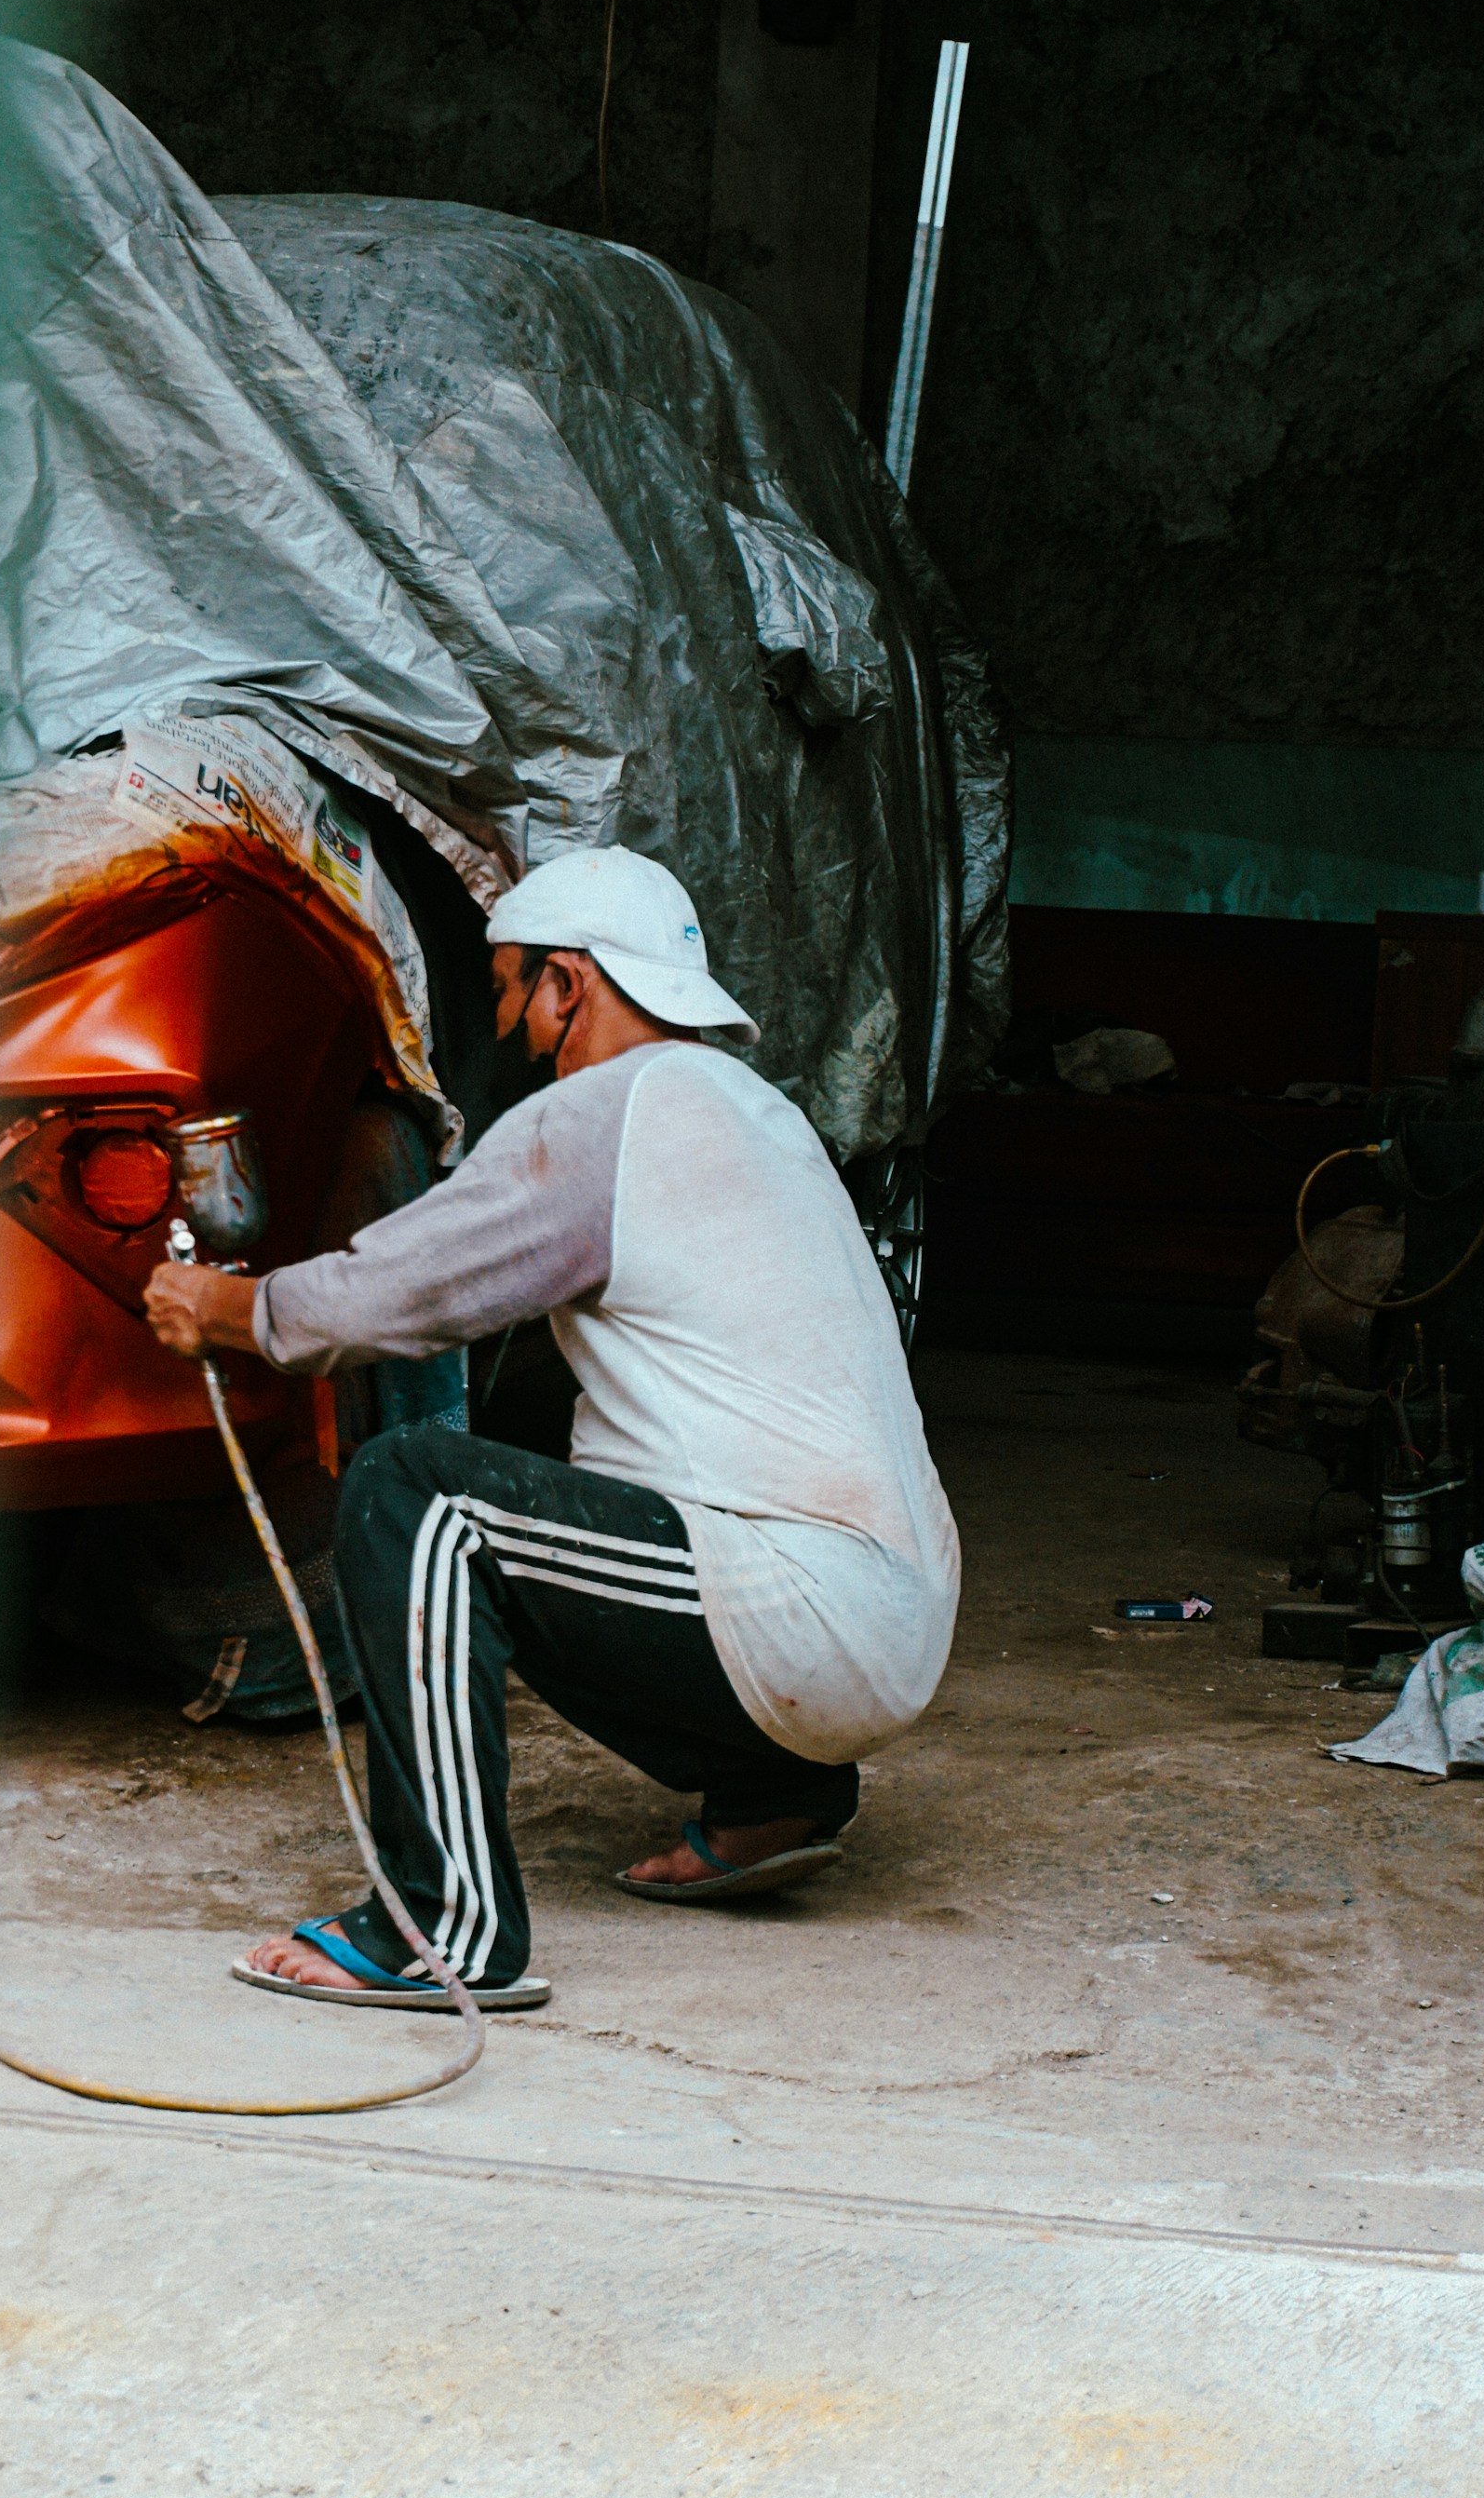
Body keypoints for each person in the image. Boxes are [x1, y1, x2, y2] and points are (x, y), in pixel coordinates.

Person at [143, 846, 959, 2006]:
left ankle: (442, 1926)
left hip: (803, 1609)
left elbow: (406, 1288)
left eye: (513, 990)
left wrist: (230, 1308)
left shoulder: (608, 1110)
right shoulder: (748, 1106)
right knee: (561, 1532)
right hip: (890, 1614)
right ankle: (776, 1796)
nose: (513, 1029)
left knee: (419, 1495)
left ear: (570, 984)